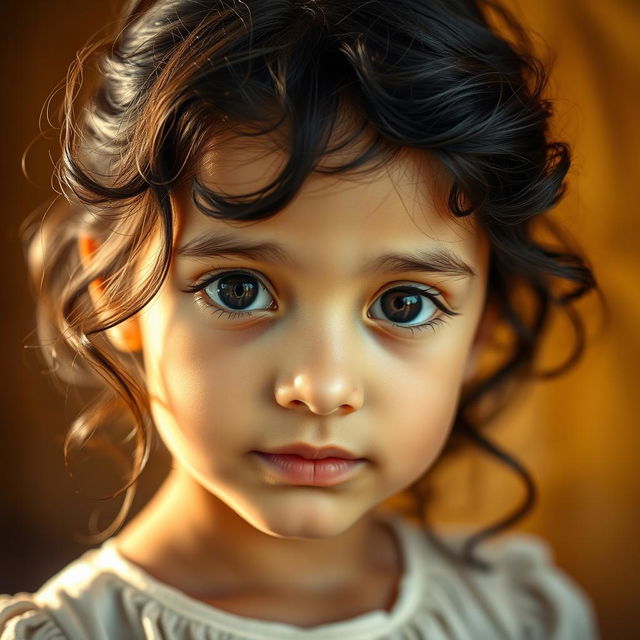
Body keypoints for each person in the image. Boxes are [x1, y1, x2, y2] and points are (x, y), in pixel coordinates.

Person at [1, 0, 603, 637]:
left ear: (482, 328)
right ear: (113, 286)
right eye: (237, 289)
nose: (322, 388)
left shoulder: (522, 619)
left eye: (405, 304)